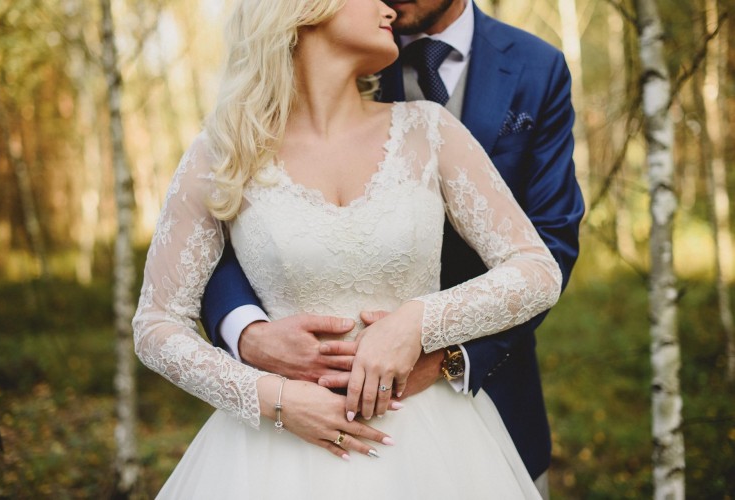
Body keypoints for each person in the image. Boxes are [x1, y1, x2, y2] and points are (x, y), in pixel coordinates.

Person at [133, 0, 564, 497]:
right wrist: (273, 398)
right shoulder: (225, 151)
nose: (388, 6)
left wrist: (417, 323)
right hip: (277, 451)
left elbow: (538, 270)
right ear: (304, 10)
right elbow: (156, 324)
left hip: (432, 444)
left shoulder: (429, 129)